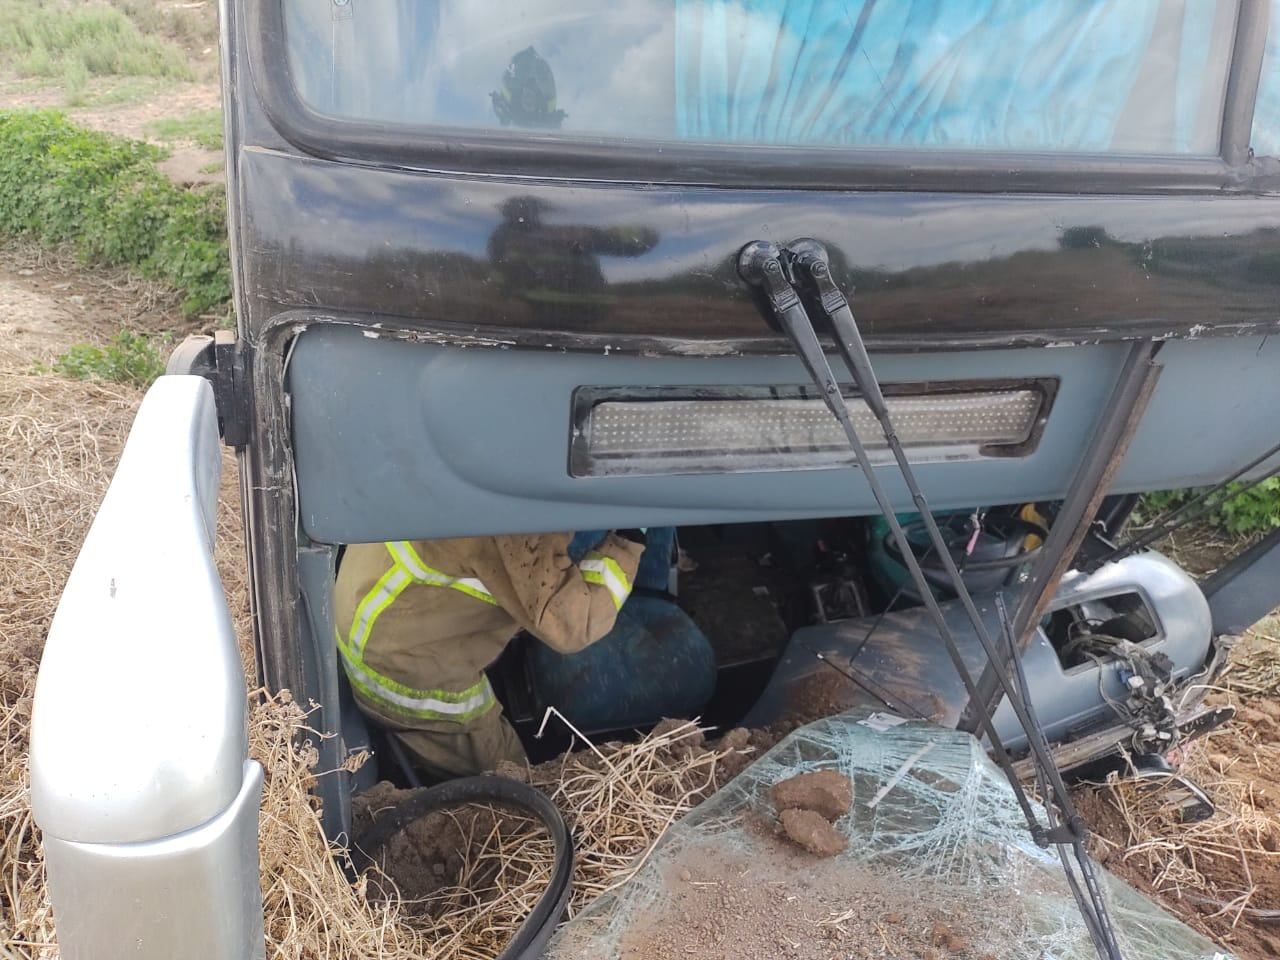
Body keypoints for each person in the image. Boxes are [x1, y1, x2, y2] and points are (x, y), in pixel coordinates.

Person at [335, 528, 674, 781]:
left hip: (384, 609)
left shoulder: (494, 467)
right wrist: (629, 539)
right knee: (514, 784)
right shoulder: (512, 526)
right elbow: (573, 625)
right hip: (404, 672)